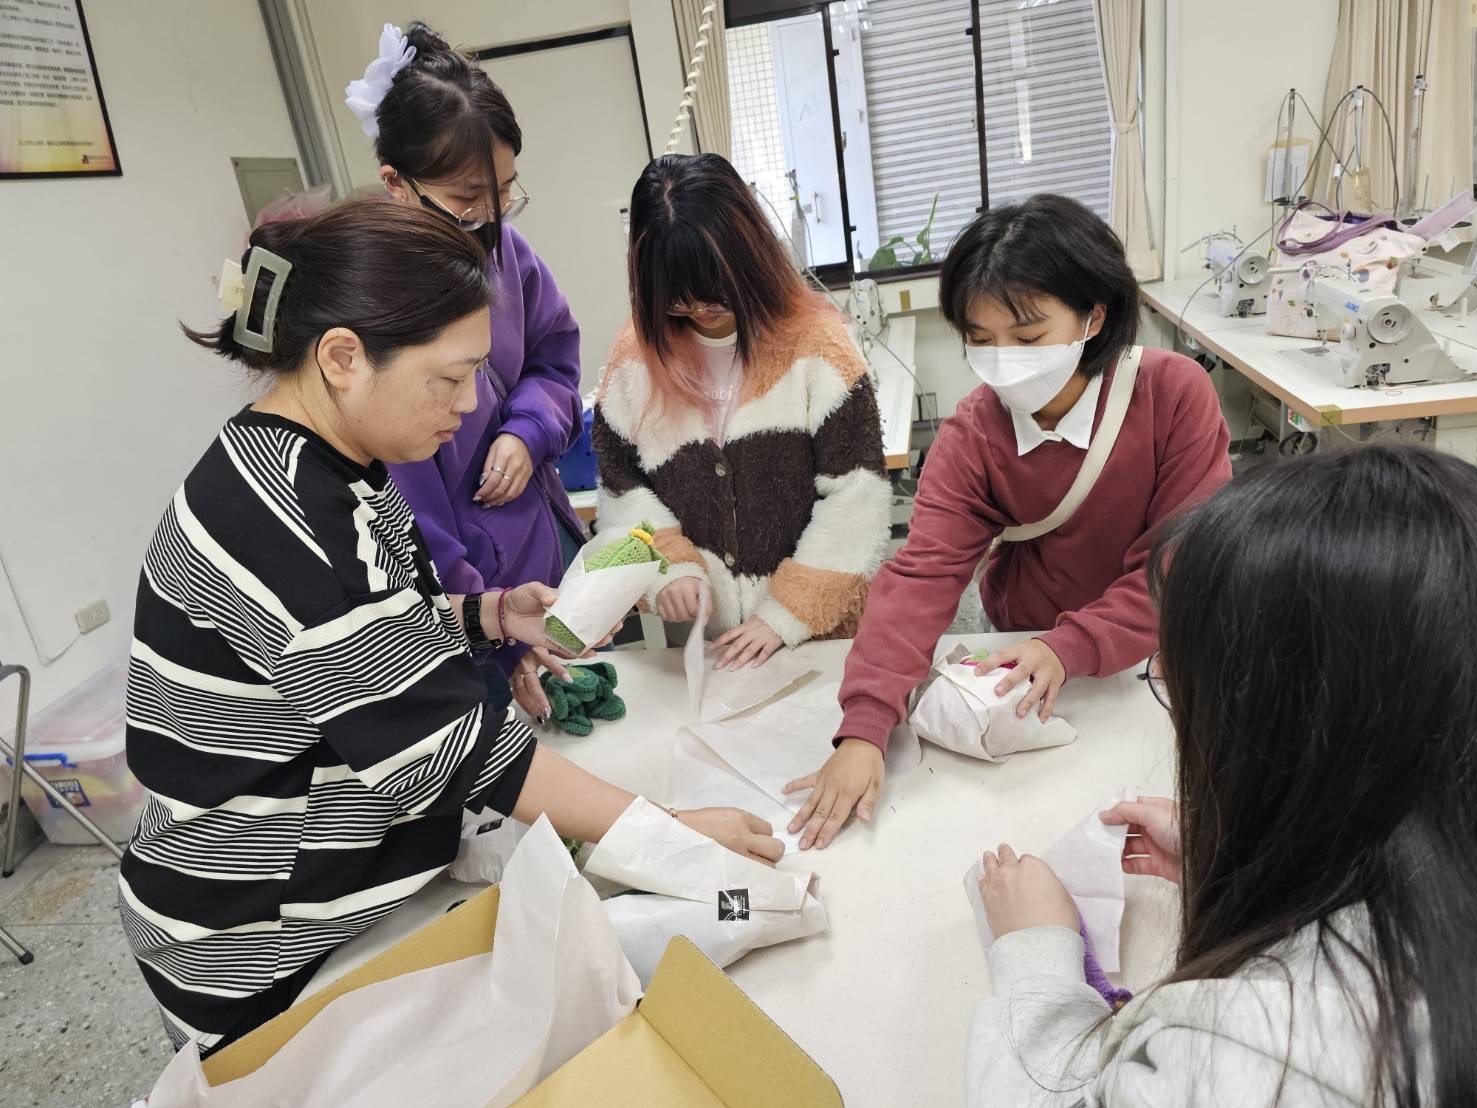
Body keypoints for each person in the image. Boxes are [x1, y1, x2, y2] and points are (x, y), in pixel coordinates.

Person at [121, 200, 782, 1055]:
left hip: (324, 881)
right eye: (451, 377)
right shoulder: (290, 517)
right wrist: (669, 831)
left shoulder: (315, 461)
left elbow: (360, 630)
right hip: (260, 940)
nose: (470, 405)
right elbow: (455, 748)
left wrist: (486, 612)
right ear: (342, 358)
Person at [967, 445, 1474, 1105]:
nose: (1162, 676)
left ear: (1278, 730)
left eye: (1184, 679)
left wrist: (1036, 955)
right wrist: (1257, 860)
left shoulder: (1247, 1053)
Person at [787, 194, 1231, 849]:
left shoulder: (1172, 393)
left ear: (1094, 317)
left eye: (1027, 338)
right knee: (1035, 818)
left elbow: (1180, 563)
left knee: (1150, 799)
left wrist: (1073, 646)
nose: (1003, 359)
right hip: (1032, 645)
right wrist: (865, 726)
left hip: (1152, 643)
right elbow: (922, 575)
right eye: (979, 339)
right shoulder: (973, 435)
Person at [345, 22, 586, 719]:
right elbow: (407, 510)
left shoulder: (508, 251)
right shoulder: (378, 309)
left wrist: (528, 430)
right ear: (396, 183)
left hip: (537, 547)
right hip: (460, 594)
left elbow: (554, 357)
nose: (490, 220)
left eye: (504, 191)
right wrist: (491, 625)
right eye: (466, 199)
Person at [593, 153, 890, 669]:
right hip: (708, 648)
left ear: (749, 260)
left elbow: (856, 494)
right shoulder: (635, 360)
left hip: (816, 638)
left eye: (715, 296)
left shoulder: (818, 346)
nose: (700, 312)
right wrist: (671, 569)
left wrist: (785, 615)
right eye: (678, 301)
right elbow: (622, 488)